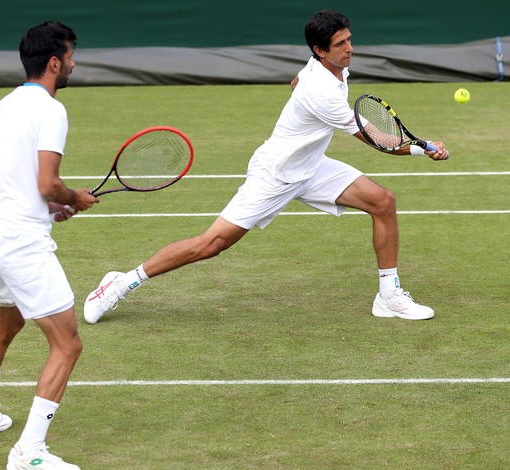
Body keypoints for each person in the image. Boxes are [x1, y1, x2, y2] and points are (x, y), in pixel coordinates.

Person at [83, 10, 449, 325]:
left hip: (310, 167)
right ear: (320, 51)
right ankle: (120, 282)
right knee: (210, 245)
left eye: (350, 40)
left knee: (382, 201)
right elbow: (377, 140)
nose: (350, 48)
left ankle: (389, 296)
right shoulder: (319, 91)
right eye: (341, 45)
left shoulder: (326, 68)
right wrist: (422, 149)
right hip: (277, 173)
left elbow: (295, 83)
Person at [0, 21, 97, 470]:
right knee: (67, 345)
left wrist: (50, 209)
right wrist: (71, 198)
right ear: (55, 62)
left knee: (8, 324)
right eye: (71, 56)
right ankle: (30, 452)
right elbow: (46, 182)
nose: (74, 63)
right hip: (18, 240)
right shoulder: (51, 110)